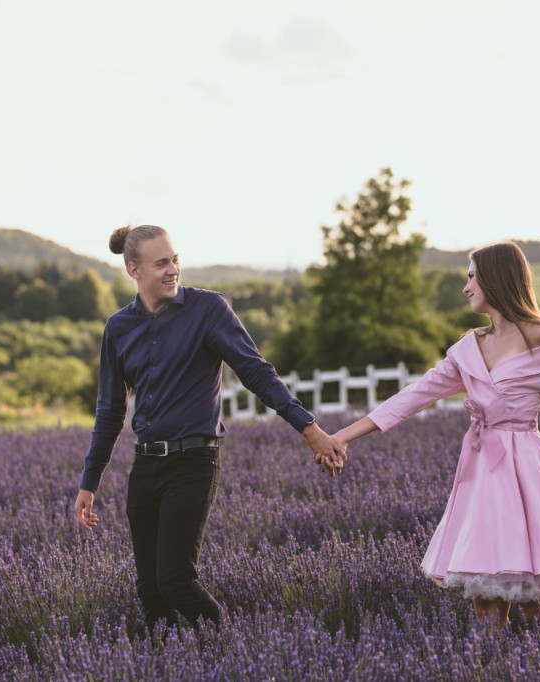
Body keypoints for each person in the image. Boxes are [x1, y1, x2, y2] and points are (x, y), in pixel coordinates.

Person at [326, 241, 540, 636]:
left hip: (526, 478)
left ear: (495, 278)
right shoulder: (468, 349)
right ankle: (494, 664)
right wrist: (344, 436)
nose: (466, 287)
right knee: (487, 608)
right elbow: (414, 395)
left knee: (537, 609)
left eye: (472, 276)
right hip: (481, 479)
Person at [74, 224, 346, 634]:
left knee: (176, 582)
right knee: (150, 590)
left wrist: (308, 427)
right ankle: (164, 662)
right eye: (161, 263)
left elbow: (257, 372)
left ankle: (235, 653)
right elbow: (110, 411)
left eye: (175, 260)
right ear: (134, 270)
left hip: (194, 461)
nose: (172, 270)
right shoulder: (118, 328)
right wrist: (89, 481)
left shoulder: (208, 309)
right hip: (145, 466)